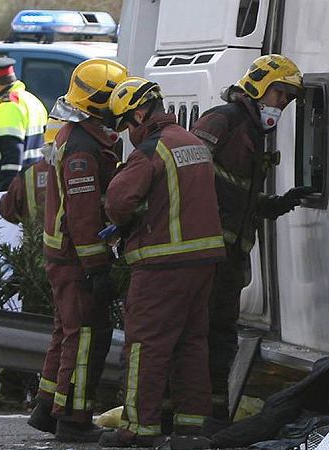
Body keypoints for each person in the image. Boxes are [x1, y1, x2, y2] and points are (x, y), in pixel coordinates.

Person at [98, 77, 225, 447]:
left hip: (162, 262)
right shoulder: (192, 142)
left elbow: (118, 203)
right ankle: (191, 426)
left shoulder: (152, 150)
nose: (127, 133)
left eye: (126, 124)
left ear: (140, 113)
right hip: (202, 261)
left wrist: (127, 216)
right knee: (191, 343)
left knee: (145, 345)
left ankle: (140, 428)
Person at [191, 54, 308, 423]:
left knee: (220, 336)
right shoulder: (223, 120)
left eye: (289, 99)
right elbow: (189, 176)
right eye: (280, 94)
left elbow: (238, 195)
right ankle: (190, 414)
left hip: (229, 256)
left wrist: (275, 204)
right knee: (201, 335)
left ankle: (212, 413)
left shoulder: (253, 129)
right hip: (207, 252)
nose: (283, 104)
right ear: (258, 84)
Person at [20, 59, 127, 443]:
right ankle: (74, 419)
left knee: (66, 335)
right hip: (77, 256)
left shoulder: (76, 134)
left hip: (65, 254)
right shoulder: (83, 147)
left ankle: (48, 408)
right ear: (98, 103)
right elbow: (83, 217)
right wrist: (97, 266)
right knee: (86, 337)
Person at [0, 57, 48, 192]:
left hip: (15, 187)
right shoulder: (31, 100)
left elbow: (12, 153)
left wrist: (7, 192)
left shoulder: (9, 106)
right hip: (34, 182)